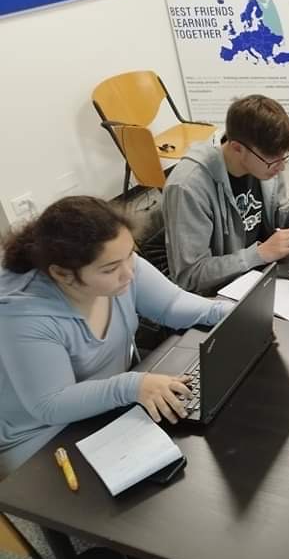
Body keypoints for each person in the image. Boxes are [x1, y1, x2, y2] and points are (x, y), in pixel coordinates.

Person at [0, 197, 231, 479]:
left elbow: (171, 305)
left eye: (131, 255)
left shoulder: (118, 261)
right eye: (110, 269)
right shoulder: (23, 315)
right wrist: (132, 385)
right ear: (62, 274)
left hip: (108, 404)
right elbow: (51, 404)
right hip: (44, 436)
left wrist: (228, 312)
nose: (129, 273)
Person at [163, 94, 289, 295]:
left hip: (260, 274)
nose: (281, 168)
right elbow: (190, 277)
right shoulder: (187, 187)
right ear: (237, 148)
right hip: (221, 293)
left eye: (284, 158)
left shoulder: (263, 163)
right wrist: (259, 254)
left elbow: (275, 208)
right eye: (273, 161)